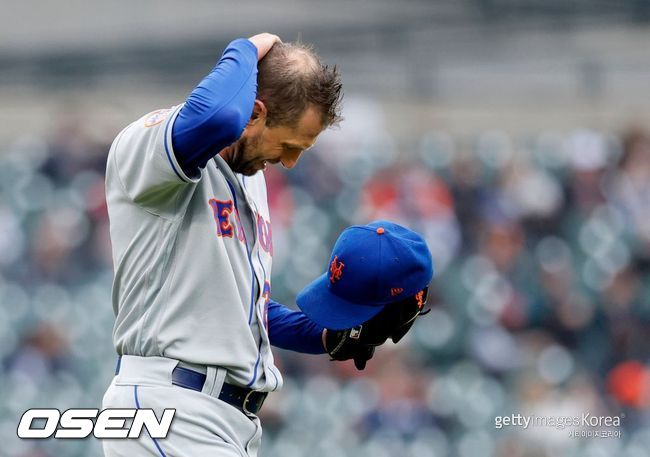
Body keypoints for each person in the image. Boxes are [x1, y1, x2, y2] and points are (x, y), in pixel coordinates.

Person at [102, 32, 431, 457]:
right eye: (289, 144)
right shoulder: (150, 146)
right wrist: (246, 46)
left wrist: (329, 335)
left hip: (222, 419)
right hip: (170, 409)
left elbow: (243, 310)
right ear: (254, 113)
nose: (291, 161)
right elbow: (216, 117)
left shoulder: (250, 178)